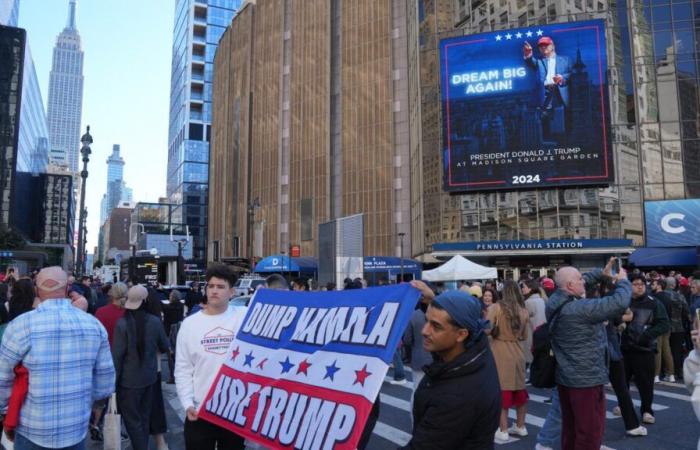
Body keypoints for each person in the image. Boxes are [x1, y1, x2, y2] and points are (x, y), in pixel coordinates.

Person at [0, 266, 114, 449]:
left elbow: (3, 378)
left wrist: (6, 411)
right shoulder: (93, 325)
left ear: (37, 291)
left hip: (32, 427)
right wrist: (89, 403)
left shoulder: (20, 325)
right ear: (68, 290)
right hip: (75, 427)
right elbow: (105, 380)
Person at [401, 288, 500, 449]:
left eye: (436, 326)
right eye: (427, 321)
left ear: (461, 334)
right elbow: (453, 317)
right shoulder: (476, 349)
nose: (424, 331)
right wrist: (434, 299)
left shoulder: (457, 398)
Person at [547, 260, 631, 450]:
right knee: (589, 434)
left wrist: (602, 273)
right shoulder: (579, 309)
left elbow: (580, 280)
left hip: (566, 378)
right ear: (569, 286)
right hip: (586, 380)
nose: (583, 282)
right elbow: (619, 303)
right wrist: (623, 281)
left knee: (571, 430)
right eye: (579, 279)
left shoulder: (555, 300)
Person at [175, 263, 247, 449]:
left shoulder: (244, 316)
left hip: (233, 409)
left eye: (221, 287)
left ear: (232, 292)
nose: (214, 290)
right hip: (200, 410)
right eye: (211, 286)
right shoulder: (190, 324)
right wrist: (187, 403)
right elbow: (183, 368)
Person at [112, 285, 170, 450]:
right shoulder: (155, 321)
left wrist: (112, 385)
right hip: (150, 378)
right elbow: (165, 346)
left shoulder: (122, 324)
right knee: (144, 419)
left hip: (128, 382)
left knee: (132, 422)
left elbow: (117, 357)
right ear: (145, 301)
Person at [621, 273, 670, 425]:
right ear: (630, 286)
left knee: (646, 383)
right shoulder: (624, 302)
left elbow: (664, 323)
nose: (640, 286)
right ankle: (623, 407)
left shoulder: (654, 303)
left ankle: (647, 410)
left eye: (642, 283)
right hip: (625, 348)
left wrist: (647, 335)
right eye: (636, 283)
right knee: (622, 383)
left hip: (645, 349)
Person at [486, 280, 529, 443]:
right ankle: (520, 425)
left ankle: (503, 429)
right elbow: (524, 336)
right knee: (520, 390)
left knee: (502, 390)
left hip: (500, 350)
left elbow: (486, 329)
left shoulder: (496, 308)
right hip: (518, 351)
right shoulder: (523, 311)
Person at [523, 36, 572, 139]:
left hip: (559, 93)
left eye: (546, 45)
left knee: (563, 121)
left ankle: (565, 141)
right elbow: (531, 61)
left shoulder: (565, 60)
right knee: (546, 123)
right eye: (541, 46)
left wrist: (562, 78)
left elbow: (572, 74)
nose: (543, 47)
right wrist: (528, 55)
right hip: (545, 94)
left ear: (552, 46)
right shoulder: (539, 62)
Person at [650, 277, 675, 382]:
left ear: (659, 285)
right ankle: (671, 374)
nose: (652, 286)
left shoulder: (653, 297)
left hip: (657, 326)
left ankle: (656, 375)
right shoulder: (669, 297)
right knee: (667, 350)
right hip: (668, 325)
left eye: (654, 284)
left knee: (658, 350)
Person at [521, 279, 546, 366]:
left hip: (531, 336)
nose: (522, 289)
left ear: (530, 288)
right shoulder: (541, 300)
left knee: (529, 361)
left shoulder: (529, 302)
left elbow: (522, 320)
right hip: (540, 335)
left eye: (524, 287)